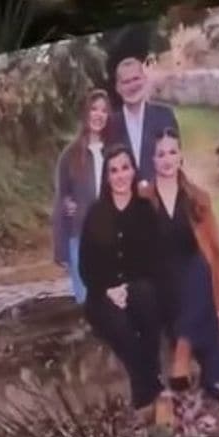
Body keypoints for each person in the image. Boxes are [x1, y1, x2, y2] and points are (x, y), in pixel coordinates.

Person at [147, 128, 219, 422]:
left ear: (180, 156)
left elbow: (216, 255)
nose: (167, 159)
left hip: (195, 282)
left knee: (197, 270)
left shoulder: (198, 199)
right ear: (153, 160)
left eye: (172, 152)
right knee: (197, 299)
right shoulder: (143, 199)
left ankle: (184, 347)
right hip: (163, 287)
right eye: (160, 154)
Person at [78, 144, 165, 418]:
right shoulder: (96, 213)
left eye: (125, 168)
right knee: (122, 329)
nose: (120, 175)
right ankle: (149, 390)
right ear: (106, 176)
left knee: (149, 302)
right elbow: (86, 266)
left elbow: (154, 260)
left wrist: (127, 286)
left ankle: (147, 392)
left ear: (133, 170)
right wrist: (109, 289)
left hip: (138, 288)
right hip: (101, 293)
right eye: (113, 170)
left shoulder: (144, 210)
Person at [51, 89, 110, 304]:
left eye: (104, 110)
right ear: (85, 113)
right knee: (86, 302)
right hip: (80, 237)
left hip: (111, 237)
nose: (98, 114)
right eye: (94, 109)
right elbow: (61, 200)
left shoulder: (115, 150)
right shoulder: (70, 155)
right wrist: (61, 249)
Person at [103, 25, 178, 182]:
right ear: (118, 88)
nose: (132, 85)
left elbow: (176, 162)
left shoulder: (165, 116)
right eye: (126, 82)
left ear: (144, 79)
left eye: (136, 79)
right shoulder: (110, 124)